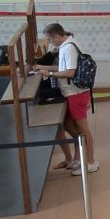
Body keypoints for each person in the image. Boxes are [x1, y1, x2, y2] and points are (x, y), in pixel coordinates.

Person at [40, 22, 98, 172]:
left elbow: (70, 73)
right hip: (71, 92)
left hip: (76, 92)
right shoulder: (67, 46)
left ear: (57, 37)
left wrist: (50, 74)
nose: (50, 43)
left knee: (83, 129)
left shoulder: (69, 48)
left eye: (50, 39)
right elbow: (63, 67)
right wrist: (44, 68)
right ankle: (80, 159)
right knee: (70, 125)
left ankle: (91, 162)